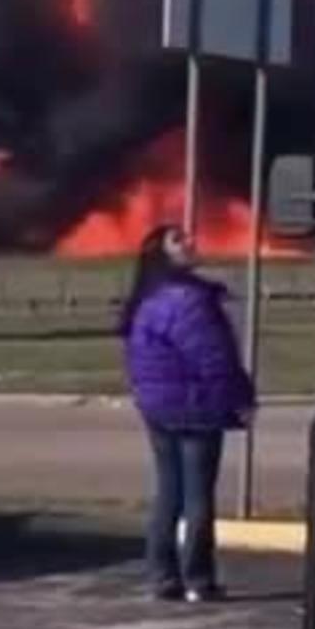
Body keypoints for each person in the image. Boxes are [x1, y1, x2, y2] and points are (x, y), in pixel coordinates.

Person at [121, 224, 255, 603]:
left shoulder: (147, 300)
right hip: (195, 406)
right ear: (163, 254)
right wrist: (241, 397)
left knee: (168, 492)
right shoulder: (190, 301)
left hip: (157, 408)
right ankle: (199, 577)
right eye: (178, 240)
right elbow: (214, 358)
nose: (191, 242)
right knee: (198, 496)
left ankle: (162, 576)